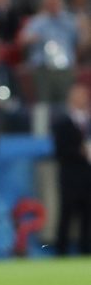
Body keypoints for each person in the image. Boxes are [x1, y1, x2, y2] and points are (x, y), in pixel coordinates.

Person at [51, 82, 91, 255]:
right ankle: (61, 251)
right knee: (66, 215)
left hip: (88, 176)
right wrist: (80, 151)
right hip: (70, 176)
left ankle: (86, 250)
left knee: (88, 217)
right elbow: (59, 151)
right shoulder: (62, 123)